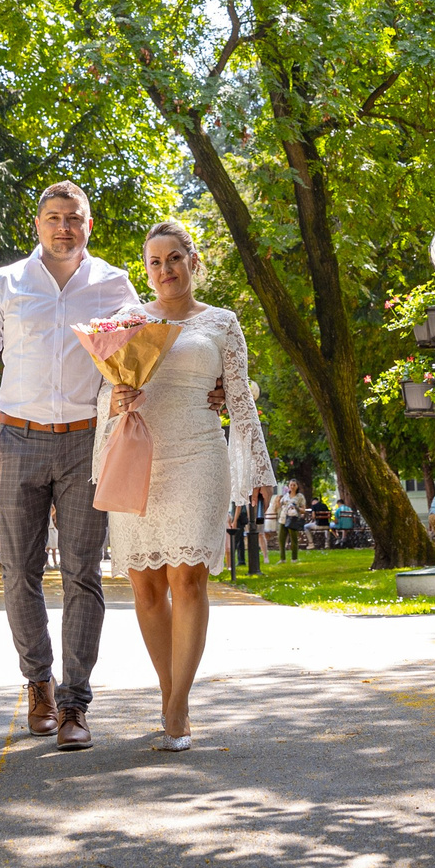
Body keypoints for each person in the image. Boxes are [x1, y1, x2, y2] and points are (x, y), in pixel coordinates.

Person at [0, 182, 137, 752]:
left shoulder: (114, 285)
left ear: (88, 225)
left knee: (84, 573)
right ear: (37, 224)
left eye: (73, 218)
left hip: (87, 441)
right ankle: (40, 687)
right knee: (17, 569)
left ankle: (77, 704)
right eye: (53, 218)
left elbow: (140, 359)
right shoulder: (6, 283)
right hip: (18, 439)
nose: (63, 227)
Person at [97, 219, 278, 751]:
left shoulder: (222, 323)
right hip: (139, 455)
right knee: (146, 587)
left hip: (199, 453)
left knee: (188, 578)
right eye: (154, 262)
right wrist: (115, 404)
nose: (165, 270)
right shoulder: (125, 322)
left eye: (174, 258)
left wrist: (255, 467)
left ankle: (178, 708)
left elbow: (241, 395)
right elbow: (101, 396)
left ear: (193, 261)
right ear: (146, 271)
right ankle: (165, 690)